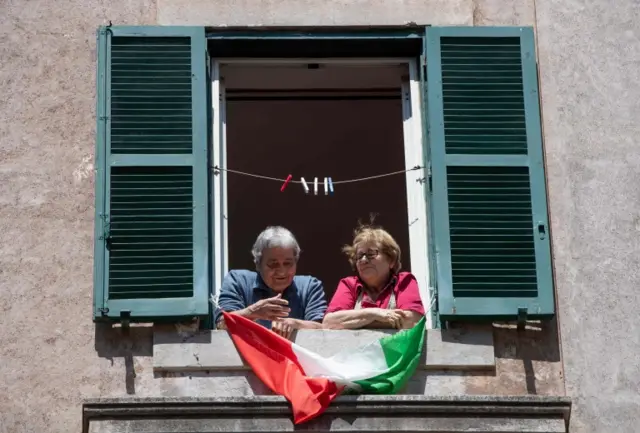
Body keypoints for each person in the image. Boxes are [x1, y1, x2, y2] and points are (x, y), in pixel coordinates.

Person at [214, 226, 327, 339]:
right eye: (273, 264)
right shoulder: (238, 280)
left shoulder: (310, 286)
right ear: (258, 264)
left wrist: (295, 324)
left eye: (288, 263)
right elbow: (221, 324)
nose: (282, 272)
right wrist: (253, 312)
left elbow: (324, 328)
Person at [323, 224, 424, 330]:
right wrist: (374, 314)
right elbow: (329, 323)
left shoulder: (404, 281)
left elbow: (413, 321)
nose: (363, 260)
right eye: (359, 255)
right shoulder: (349, 285)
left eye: (371, 254)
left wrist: (354, 323)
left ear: (391, 260)